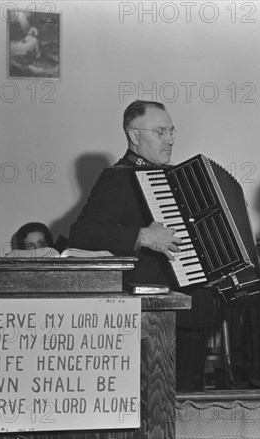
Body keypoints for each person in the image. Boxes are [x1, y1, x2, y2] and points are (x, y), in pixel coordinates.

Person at [70, 100, 213, 391]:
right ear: (134, 136)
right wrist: (142, 236)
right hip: (150, 317)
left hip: (191, 313)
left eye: (172, 131)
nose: (170, 139)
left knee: (188, 405)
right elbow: (82, 234)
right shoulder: (118, 177)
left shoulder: (181, 178)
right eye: (160, 132)